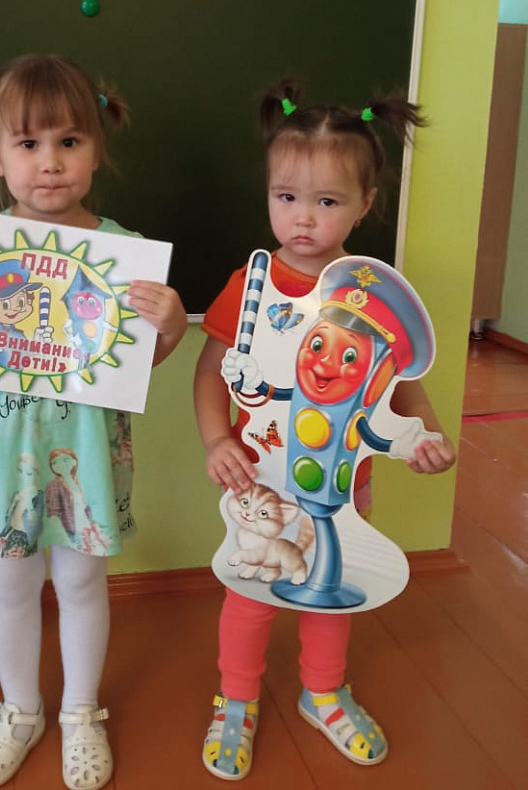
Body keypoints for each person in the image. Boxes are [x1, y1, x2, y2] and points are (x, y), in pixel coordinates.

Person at [0, 54, 187, 790]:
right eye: (28, 144)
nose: (49, 162)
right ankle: (19, 709)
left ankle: (81, 712)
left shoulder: (123, 252)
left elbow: (135, 364)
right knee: (9, 583)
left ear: (96, 149)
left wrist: (172, 328)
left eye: (68, 142)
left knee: (82, 584)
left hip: (80, 455)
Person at [194, 77, 456, 780]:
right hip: (259, 485)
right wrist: (217, 440)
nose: (303, 218)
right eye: (286, 196)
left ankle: (323, 693)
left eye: (327, 201)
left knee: (337, 587)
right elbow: (209, 372)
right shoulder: (249, 288)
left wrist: (427, 434)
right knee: (250, 593)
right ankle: (236, 699)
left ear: (365, 204)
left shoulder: (372, 296)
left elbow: (401, 380)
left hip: (343, 485)